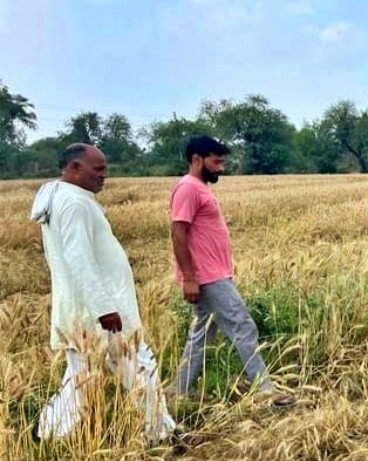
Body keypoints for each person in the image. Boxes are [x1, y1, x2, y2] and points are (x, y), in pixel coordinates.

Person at [31, 144, 177, 443]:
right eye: (97, 169)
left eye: (104, 169)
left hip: (80, 310)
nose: (103, 175)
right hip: (99, 314)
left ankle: (47, 432)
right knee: (140, 368)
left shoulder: (62, 197)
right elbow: (79, 258)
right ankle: (161, 433)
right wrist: (103, 308)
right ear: (74, 168)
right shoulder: (74, 204)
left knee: (79, 380)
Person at [168, 136, 295, 406]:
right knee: (242, 324)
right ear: (196, 159)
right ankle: (265, 389)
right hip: (207, 276)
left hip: (212, 274)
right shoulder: (188, 188)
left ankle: (179, 391)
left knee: (202, 332)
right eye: (216, 162)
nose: (220, 168)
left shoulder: (198, 187)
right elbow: (178, 232)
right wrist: (189, 277)